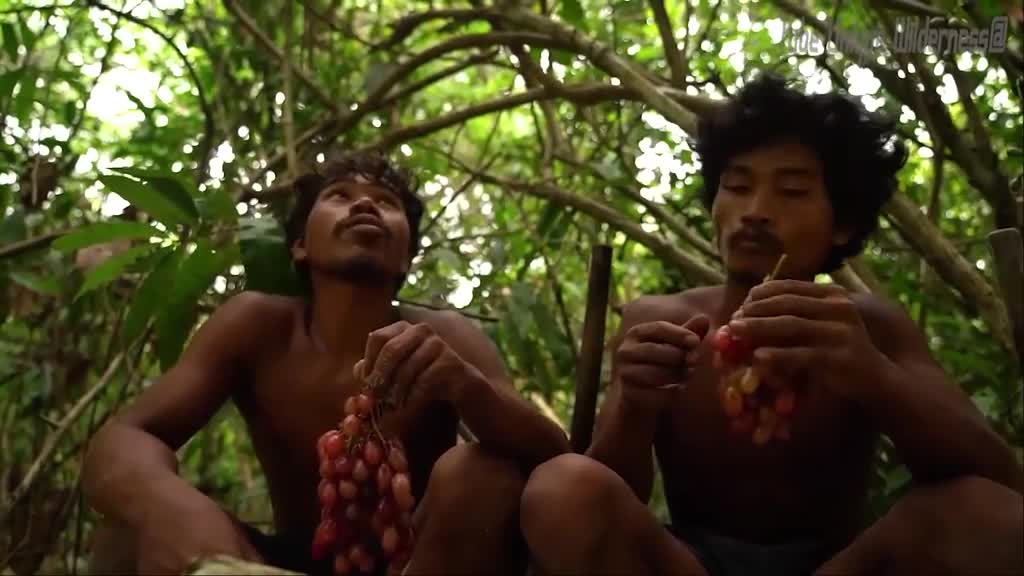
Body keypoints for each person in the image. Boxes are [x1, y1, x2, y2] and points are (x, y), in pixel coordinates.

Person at [520, 74, 1024, 576]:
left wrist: (875, 377)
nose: (756, 212)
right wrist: (634, 405)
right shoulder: (657, 323)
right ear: (715, 205)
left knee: (981, 515)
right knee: (562, 488)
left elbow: (1000, 480)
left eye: (792, 191)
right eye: (737, 186)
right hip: (689, 565)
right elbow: (604, 501)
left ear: (843, 222)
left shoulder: (870, 327)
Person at [82, 152, 569, 576]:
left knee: (482, 475)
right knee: (129, 535)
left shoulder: (447, 336)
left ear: (407, 258)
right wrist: (170, 506)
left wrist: (468, 388)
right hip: (279, 560)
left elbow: (556, 459)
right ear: (300, 246)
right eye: (339, 195)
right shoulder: (255, 325)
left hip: (421, 558)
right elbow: (124, 438)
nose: (363, 204)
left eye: (386, 201)